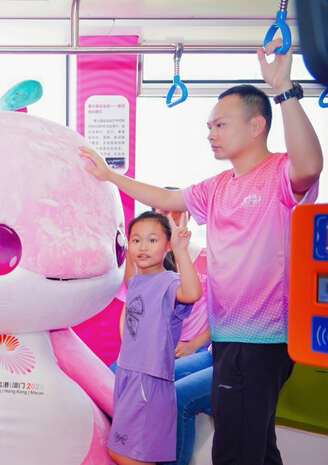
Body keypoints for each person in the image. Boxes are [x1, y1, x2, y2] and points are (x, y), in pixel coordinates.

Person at [80, 39, 323, 465]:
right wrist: (110, 175)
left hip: (260, 339)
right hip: (228, 338)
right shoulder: (217, 186)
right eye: (210, 126)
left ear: (256, 125)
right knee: (256, 446)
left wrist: (284, 90)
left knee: (236, 451)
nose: (211, 133)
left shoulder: (280, 174)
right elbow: (164, 197)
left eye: (220, 124)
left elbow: (310, 166)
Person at [108, 211, 202, 465]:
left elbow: (192, 293)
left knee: (134, 455)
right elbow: (129, 277)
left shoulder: (170, 282)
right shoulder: (137, 281)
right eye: (136, 240)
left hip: (148, 380)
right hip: (128, 374)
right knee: (119, 450)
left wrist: (180, 250)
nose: (143, 247)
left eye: (152, 240)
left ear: (167, 245)